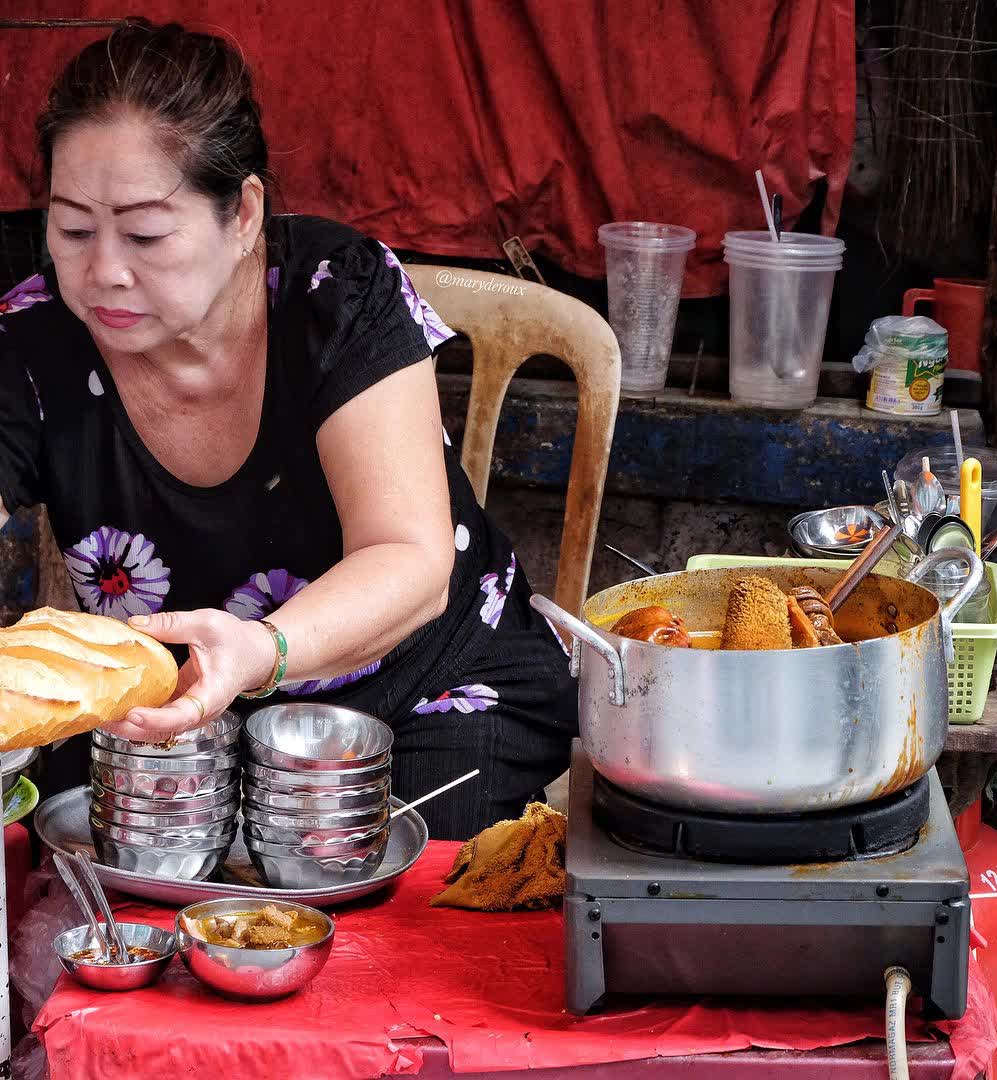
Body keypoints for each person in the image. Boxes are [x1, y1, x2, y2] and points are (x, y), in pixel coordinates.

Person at [0, 20, 576, 840]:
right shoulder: (32, 341)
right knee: (67, 896)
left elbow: (411, 561)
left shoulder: (336, 296)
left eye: (146, 233)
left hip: (419, 694)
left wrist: (256, 654)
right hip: (172, 718)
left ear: (242, 214)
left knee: (379, 906)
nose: (104, 273)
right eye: (73, 229)